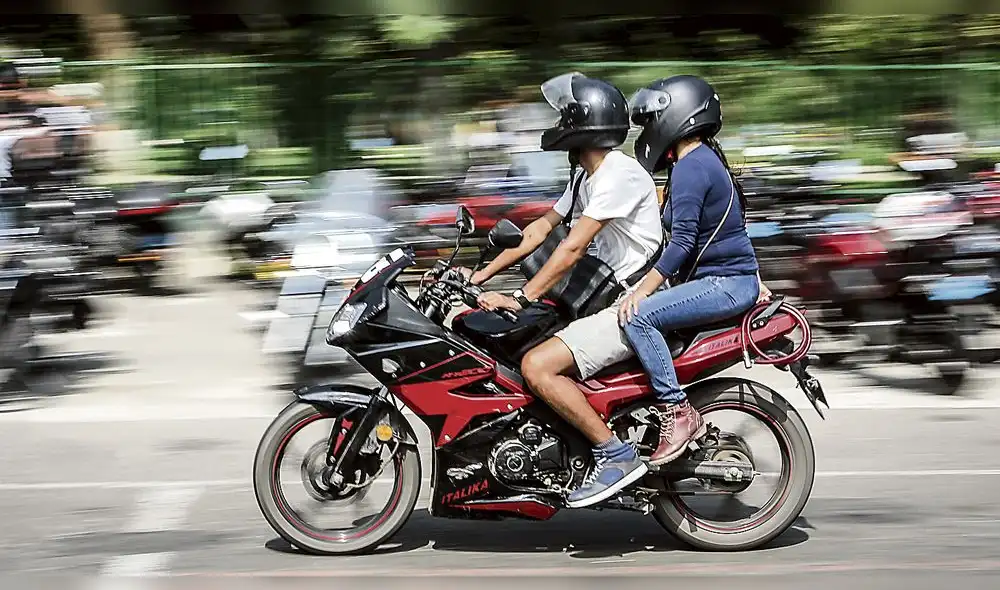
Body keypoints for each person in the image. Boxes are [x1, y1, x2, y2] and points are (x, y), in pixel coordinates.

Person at [468, 72, 663, 508]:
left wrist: (522, 297)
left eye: (564, 116)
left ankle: (614, 455)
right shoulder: (585, 178)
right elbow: (539, 231)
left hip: (626, 304)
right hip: (596, 297)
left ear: (584, 120)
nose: (558, 124)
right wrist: (475, 277)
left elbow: (573, 248)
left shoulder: (619, 174)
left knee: (538, 367)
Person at [618, 75, 770, 465]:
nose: (649, 130)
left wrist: (641, 292)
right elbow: (726, 232)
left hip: (723, 284)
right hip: (729, 280)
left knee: (639, 318)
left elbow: (682, 245)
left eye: (653, 119)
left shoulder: (691, 167)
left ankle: (677, 411)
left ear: (677, 115)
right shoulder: (702, 161)